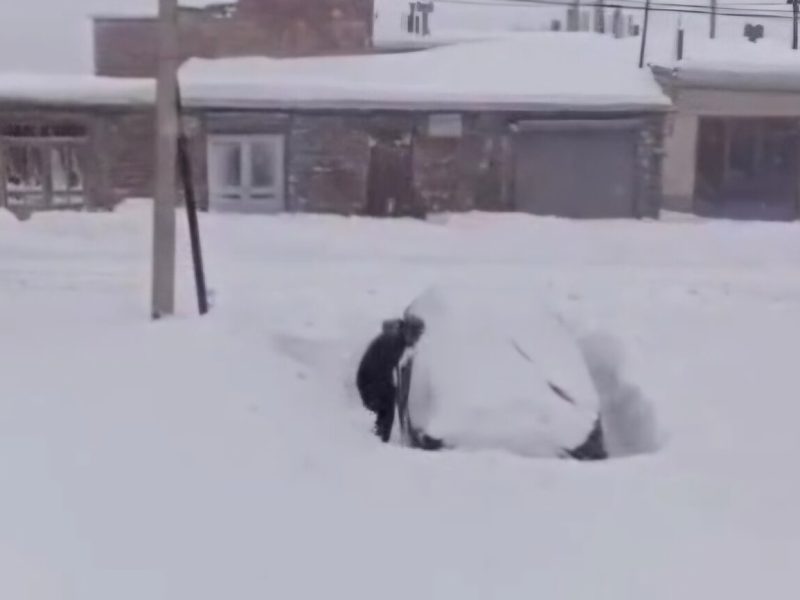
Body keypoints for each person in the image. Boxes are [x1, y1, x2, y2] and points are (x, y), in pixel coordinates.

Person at [356, 315, 425, 442]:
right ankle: (378, 442)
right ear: (406, 330)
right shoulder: (394, 342)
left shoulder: (399, 340)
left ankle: (378, 439)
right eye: (414, 335)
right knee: (387, 406)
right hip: (369, 380)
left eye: (418, 336)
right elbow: (384, 368)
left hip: (372, 379)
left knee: (388, 402)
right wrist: (396, 390)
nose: (416, 340)